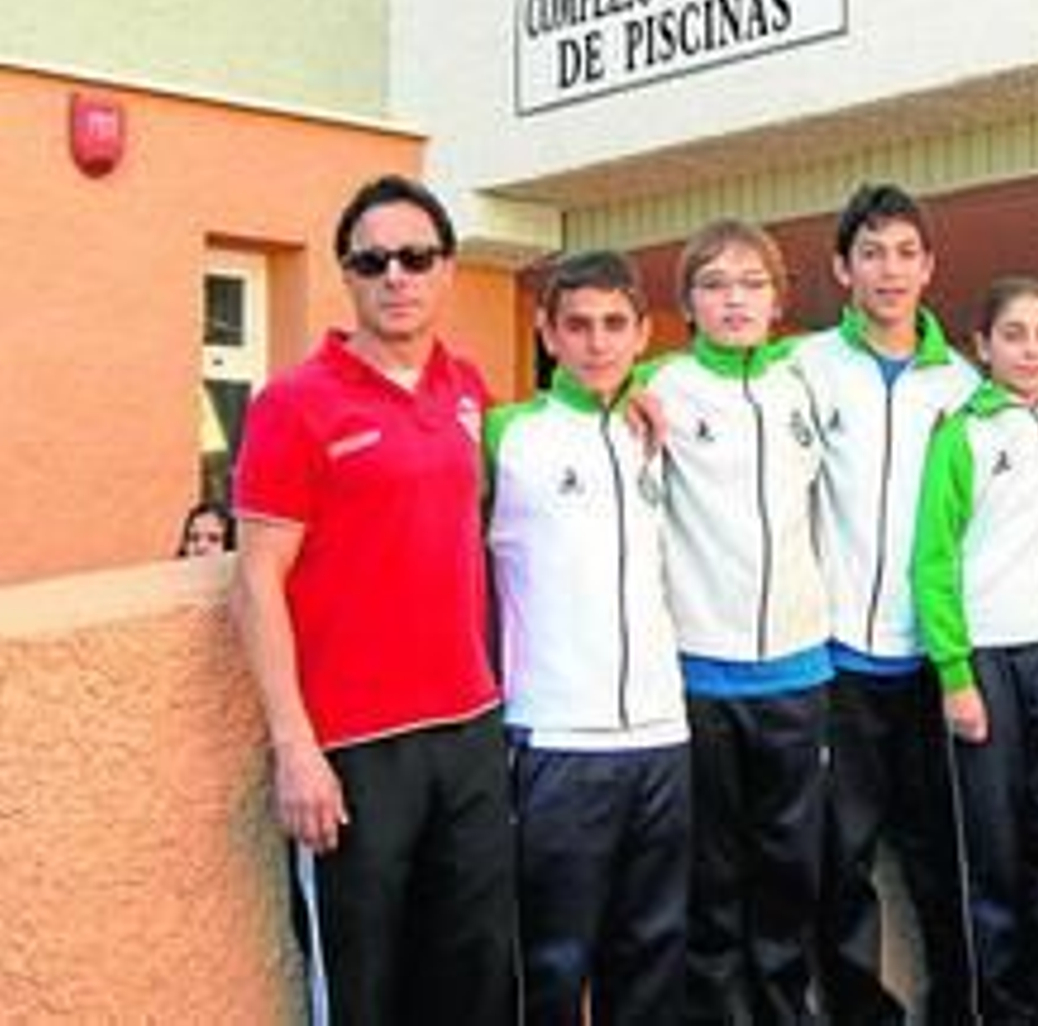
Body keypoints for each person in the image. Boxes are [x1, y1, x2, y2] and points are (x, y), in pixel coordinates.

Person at [229, 174, 515, 1025]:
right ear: (347, 276)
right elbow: (254, 581)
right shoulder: (294, 404)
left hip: (470, 731)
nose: (396, 276)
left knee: (471, 979)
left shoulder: (467, 391)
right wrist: (294, 748)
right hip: (352, 752)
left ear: (446, 270)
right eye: (373, 260)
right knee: (361, 992)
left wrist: (634, 397)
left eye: (416, 257)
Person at [486, 249, 690, 1026]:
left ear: (642, 334)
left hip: (663, 735)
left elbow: (763, 354)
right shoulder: (508, 435)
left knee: (652, 960)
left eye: (614, 325)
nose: (597, 343)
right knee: (551, 962)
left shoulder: (659, 427)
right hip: (557, 741)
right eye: (577, 326)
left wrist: (644, 389)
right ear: (546, 332)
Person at [795, 182, 980, 1025]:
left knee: (946, 855)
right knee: (841, 861)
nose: (890, 270)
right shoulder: (806, 369)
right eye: (871, 252)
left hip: (939, 663)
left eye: (906, 252)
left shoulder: (967, 385)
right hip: (838, 659)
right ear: (843, 268)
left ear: (930, 266)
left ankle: (960, 1009)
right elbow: (701, 387)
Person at [646, 220, 832, 1024]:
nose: (735, 299)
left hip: (798, 669)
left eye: (753, 283)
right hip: (701, 672)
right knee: (711, 877)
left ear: (777, 297)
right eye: (716, 284)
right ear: (688, 301)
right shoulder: (659, 386)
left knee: (790, 868)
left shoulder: (804, 384)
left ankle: (784, 1011)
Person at [910, 276, 1038, 1024]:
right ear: (982, 347)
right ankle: (1003, 1009)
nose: (1032, 349)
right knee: (994, 844)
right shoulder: (963, 432)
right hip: (983, 659)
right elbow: (933, 558)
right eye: (1014, 334)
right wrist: (955, 673)